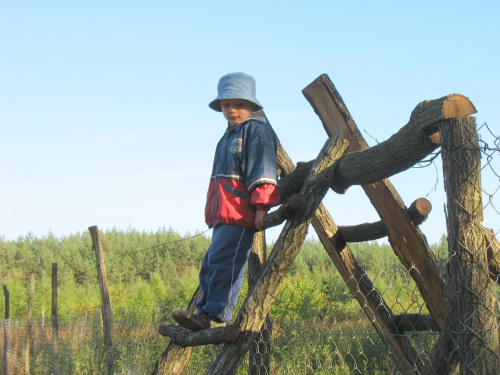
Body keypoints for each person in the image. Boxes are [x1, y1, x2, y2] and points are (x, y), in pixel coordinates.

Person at [172, 72, 281, 331]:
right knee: (212, 261)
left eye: (239, 104)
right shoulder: (229, 135)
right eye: (226, 104)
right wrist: (213, 213)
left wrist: (261, 207)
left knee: (225, 262)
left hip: (240, 213)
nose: (232, 110)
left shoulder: (256, 130)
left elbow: (263, 170)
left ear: (253, 105)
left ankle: (216, 314)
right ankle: (204, 312)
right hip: (224, 214)